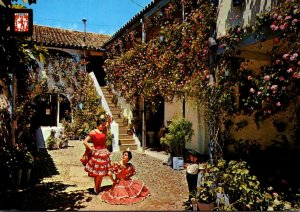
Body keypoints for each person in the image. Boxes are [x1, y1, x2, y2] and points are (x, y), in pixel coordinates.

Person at [83, 119, 111, 194]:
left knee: (101, 172)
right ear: (98, 125)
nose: (103, 126)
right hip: (97, 153)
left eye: (104, 125)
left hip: (104, 153)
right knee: (97, 173)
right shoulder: (93, 132)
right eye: (102, 125)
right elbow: (85, 141)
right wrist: (91, 148)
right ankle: (96, 187)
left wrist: (108, 118)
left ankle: (99, 187)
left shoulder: (104, 130)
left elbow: (109, 122)